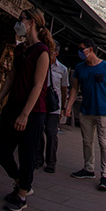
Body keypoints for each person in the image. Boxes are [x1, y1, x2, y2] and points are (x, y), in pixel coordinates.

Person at [0, 8, 54, 211]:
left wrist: (25, 114)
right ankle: (22, 182)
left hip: (33, 112)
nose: (19, 23)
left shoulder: (42, 51)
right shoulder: (20, 50)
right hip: (13, 106)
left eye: (22, 20)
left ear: (32, 23)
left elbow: (38, 85)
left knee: (27, 155)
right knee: (0, 149)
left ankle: (22, 195)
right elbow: (11, 77)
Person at [64, 38, 106, 191]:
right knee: (87, 142)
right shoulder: (79, 68)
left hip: (104, 112)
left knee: (105, 144)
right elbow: (75, 89)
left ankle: (105, 176)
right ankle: (88, 168)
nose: (79, 52)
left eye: (81, 48)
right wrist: (68, 106)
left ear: (90, 49)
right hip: (86, 111)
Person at [35, 41, 69, 173]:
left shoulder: (62, 69)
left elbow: (64, 89)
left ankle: (51, 161)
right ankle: (38, 158)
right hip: (40, 102)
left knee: (51, 133)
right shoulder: (40, 63)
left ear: (57, 53)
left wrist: (63, 107)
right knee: (38, 131)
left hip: (54, 105)